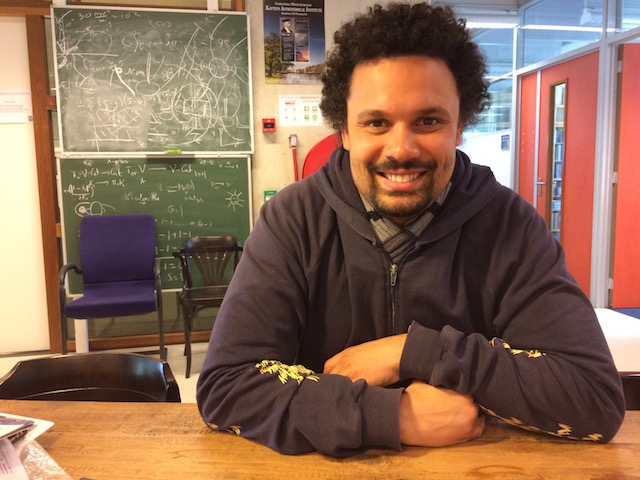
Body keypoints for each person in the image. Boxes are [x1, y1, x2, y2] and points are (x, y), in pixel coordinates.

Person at [197, 3, 625, 457]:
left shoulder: (509, 225)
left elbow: (593, 397)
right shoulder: (293, 220)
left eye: (428, 121)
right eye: (376, 122)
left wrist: (416, 352)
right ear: (345, 131)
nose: (401, 149)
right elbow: (227, 385)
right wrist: (393, 416)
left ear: (460, 126)